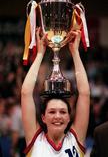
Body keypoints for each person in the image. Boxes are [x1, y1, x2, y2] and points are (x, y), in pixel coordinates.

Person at [21, 28, 90, 157]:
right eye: (52, 112)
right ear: (43, 117)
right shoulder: (35, 139)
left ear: (69, 117)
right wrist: (40, 54)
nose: (57, 116)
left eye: (63, 112)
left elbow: (85, 94)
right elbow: (25, 93)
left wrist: (75, 53)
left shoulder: (76, 138)